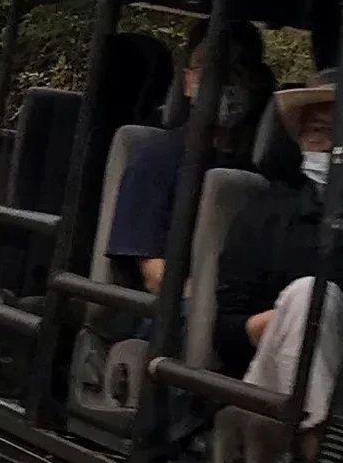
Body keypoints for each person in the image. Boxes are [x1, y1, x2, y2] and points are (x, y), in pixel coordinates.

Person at [104, 20, 268, 285]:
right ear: (187, 80)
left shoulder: (260, 173)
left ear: (257, 83)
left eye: (236, 71)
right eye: (208, 67)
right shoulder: (157, 157)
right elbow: (153, 274)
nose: (220, 81)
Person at [217, 73, 340, 415]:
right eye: (318, 131)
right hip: (274, 385)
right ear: (298, 139)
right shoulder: (263, 217)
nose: (331, 146)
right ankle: (322, 462)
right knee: (310, 297)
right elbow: (225, 333)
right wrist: (290, 321)